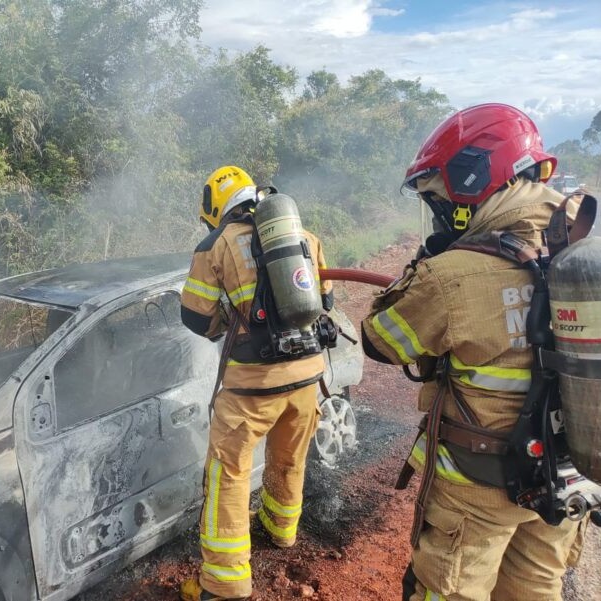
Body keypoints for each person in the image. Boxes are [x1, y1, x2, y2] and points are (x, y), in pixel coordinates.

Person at [361, 103, 587, 601]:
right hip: (567, 471)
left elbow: (380, 341)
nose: (440, 212)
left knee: (452, 590)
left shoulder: (454, 274)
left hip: (477, 484)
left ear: (473, 179)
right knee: (536, 588)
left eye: (439, 198)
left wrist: (426, 262)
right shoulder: (582, 250)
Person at [179, 165, 334, 601]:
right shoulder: (304, 235)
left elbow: (195, 317)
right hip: (307, 377)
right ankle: (280, 532)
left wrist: (228, 321)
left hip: (252, 385)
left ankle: (224, 584)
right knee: (289, 458)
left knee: (227, 476)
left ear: (214, 207)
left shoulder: (216, 244)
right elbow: (324, 301)